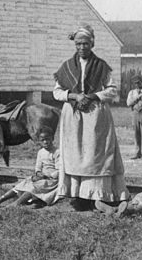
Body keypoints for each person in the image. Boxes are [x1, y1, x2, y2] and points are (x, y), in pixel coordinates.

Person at [53, 24, 129, 212]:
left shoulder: (101, 66)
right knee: (75, 154)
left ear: (92, 43)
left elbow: (111, 90)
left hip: (96, 116)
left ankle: (97, 195)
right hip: (73, 115)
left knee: (95, 153)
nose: (82, 48)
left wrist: (93, 96)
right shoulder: (67, 66)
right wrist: (74, 96)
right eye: (78, 44)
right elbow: (57, 92)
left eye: (85, 44)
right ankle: (77, 196)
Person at [0, 128, 60, 208]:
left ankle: (16, 204)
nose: (45, 142)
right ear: (39, 141)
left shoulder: (57, 152)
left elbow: (59, 170)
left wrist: (47, 175)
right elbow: (38, 167)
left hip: (51, 180)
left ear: (52, 138)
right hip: (41, 177)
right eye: (43, 140)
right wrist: (38, 173)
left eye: (47, 139)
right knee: (24, 183)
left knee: (35, 186)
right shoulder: (41, 152)